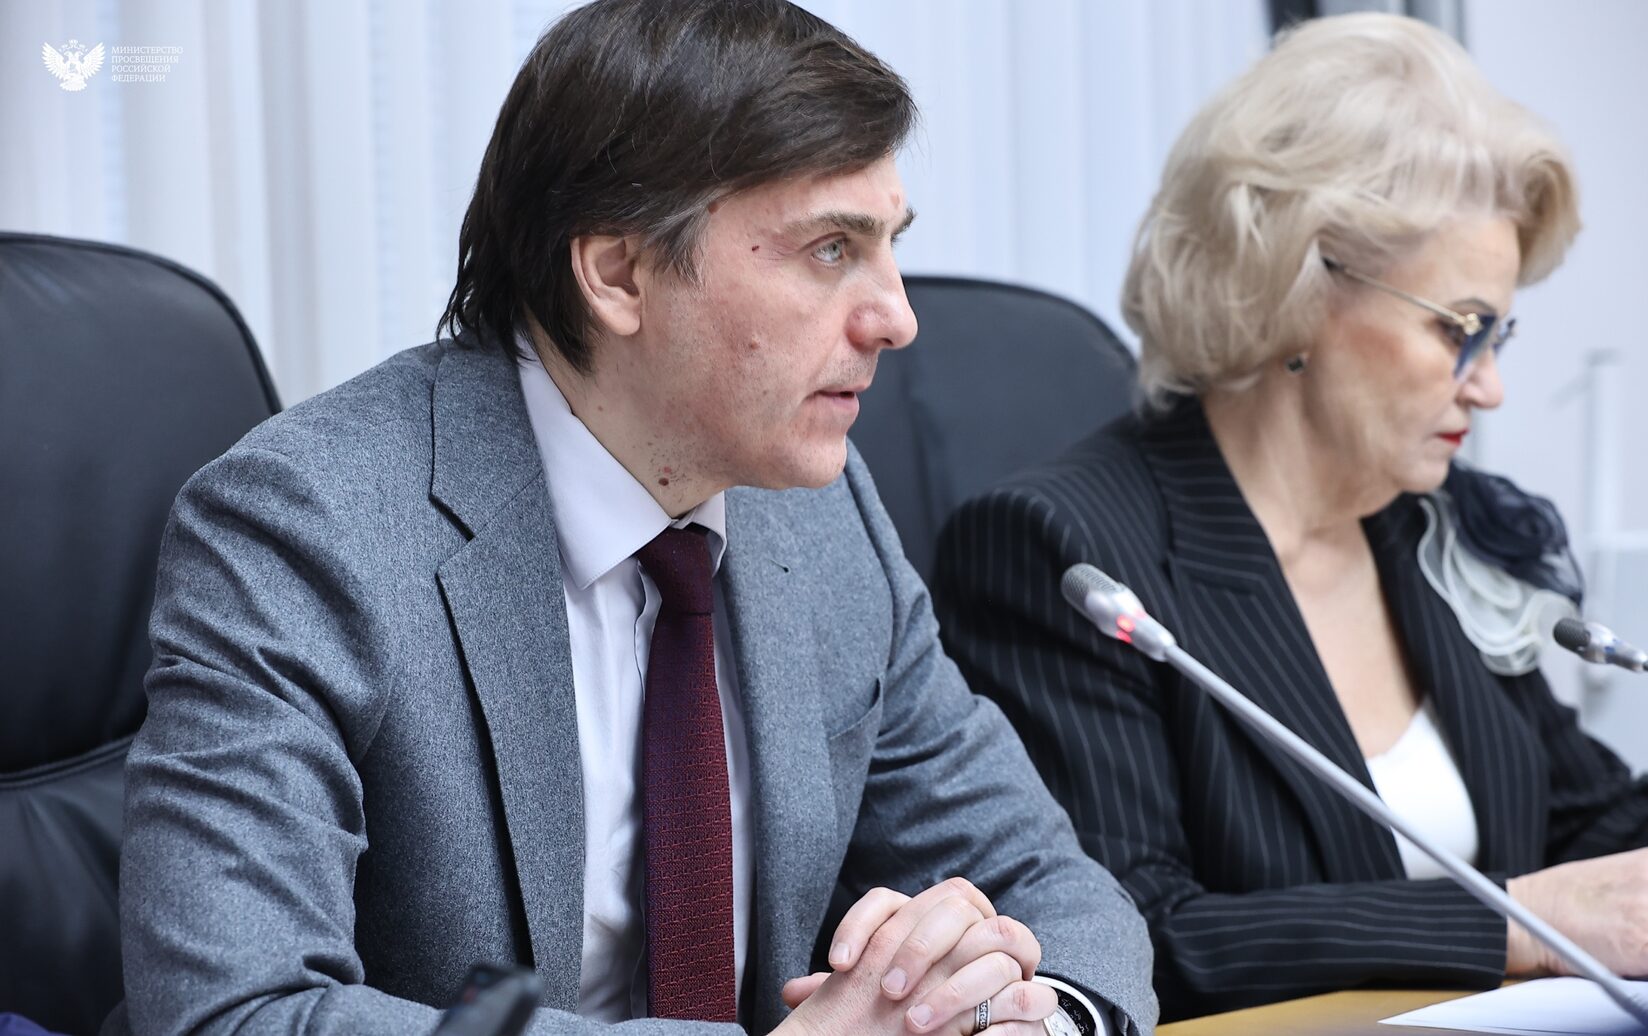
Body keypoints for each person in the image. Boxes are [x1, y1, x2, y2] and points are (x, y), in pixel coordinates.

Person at [105, 1, 1157, 1034]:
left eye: (890, 245)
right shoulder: (307, 530)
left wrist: (1036, 1019)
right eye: (832, 249)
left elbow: (1045, 881)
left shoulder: (821, 513)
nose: (898, 316)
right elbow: (238, 1008)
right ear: (618, 273)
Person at [933, 11, 1648, 1023]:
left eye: (1499, 337)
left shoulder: (1429, 524)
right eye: (1461, 331)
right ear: (1298, 286)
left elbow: (1587, 813)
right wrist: (1514, 922)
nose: (1491, 387)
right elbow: (1129, 929)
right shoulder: (1063, 555)